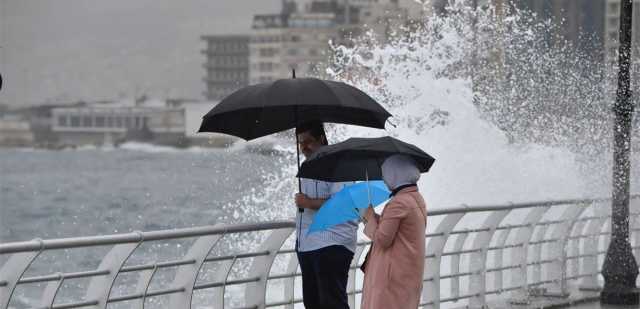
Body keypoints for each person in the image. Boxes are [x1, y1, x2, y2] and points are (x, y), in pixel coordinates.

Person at [294, 121, 356, 309]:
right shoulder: (305, 166)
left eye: (308, 141)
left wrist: (309, 203)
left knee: (332, 303)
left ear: (321, 138)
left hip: (332, 243)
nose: (304, 147)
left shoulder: (338, 163)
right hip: (307, 243)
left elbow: (343, 204)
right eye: (300, 143)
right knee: (312, 303)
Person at [361, 154, 428, 309]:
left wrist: (370, 218)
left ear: (395, 174)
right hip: (407, 272)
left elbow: (383, 239)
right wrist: (373, 218)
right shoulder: (416, 197)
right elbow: (396, 229)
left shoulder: (398, 203)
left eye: (386, 174)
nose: (384, 179)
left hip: (392, 277)